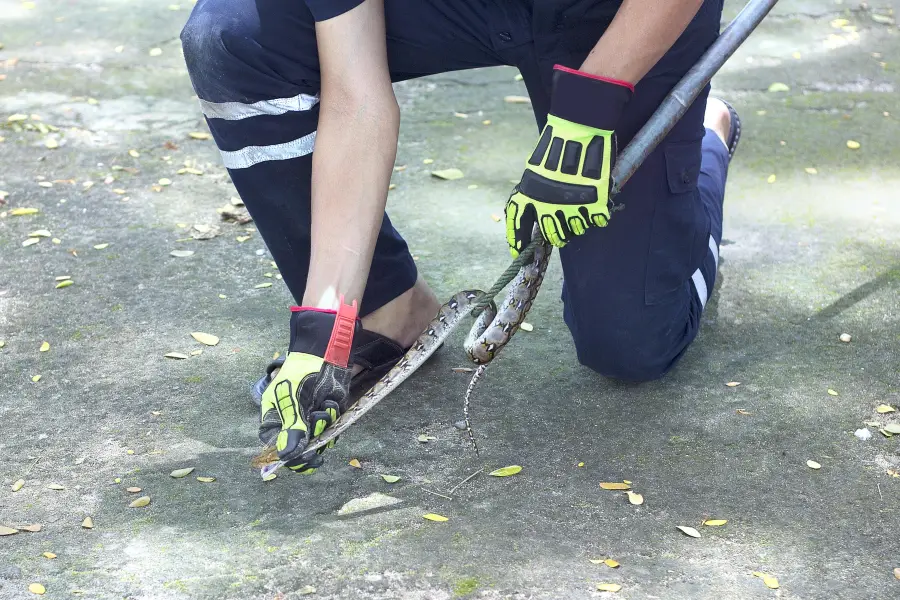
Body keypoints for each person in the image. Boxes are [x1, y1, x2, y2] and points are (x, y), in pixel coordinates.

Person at [180, 0, 740, 473]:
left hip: (617, 14)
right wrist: (324, 325)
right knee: (231, 39)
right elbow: (356, 97)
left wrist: (587, 110)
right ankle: (386, 306)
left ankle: (706, 135)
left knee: (629, 344)